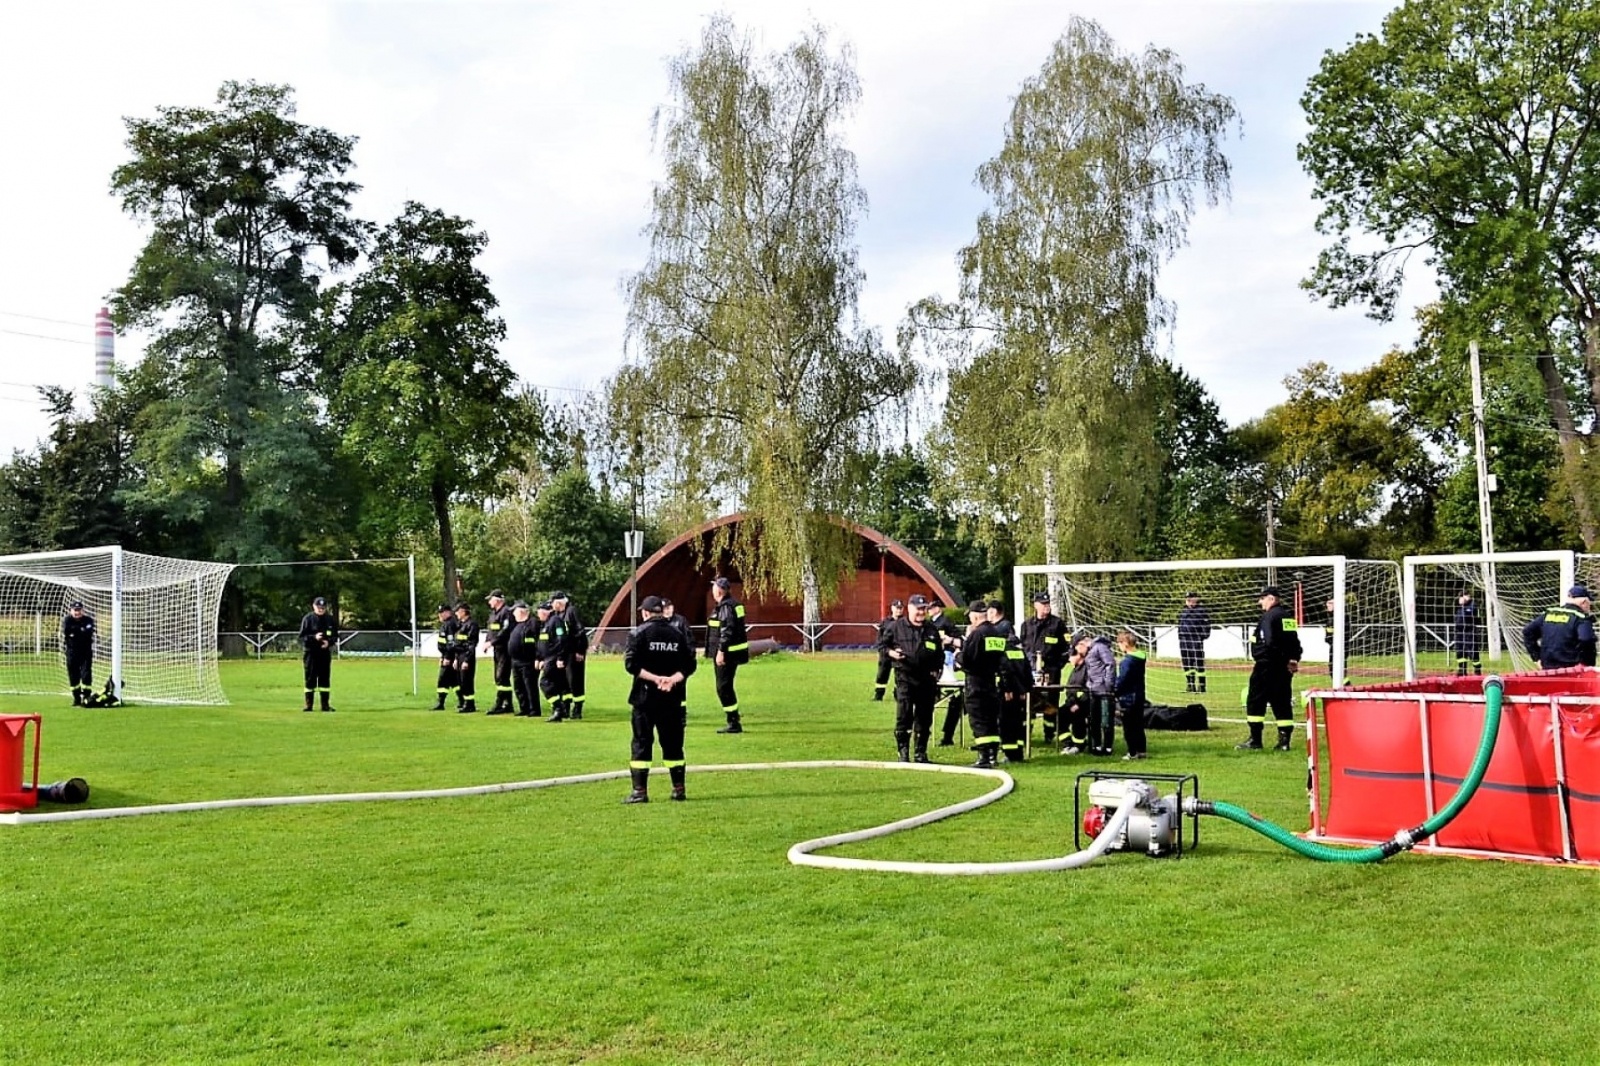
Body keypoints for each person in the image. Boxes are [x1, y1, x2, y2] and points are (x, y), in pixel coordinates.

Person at [622, 595, 698, 803]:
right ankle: (678, 789)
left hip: (645, 698)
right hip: (671, 697)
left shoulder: (638, 634)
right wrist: (672, 679)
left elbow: (631, 666)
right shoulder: (677, 633)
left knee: (641, 742)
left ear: (645, 613)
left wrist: (656, 679)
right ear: (661, 611)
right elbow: (690, 664)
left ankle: (639, 792)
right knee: (673, 743)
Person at [1238, 585, 1302, 751]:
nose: (1260, 602)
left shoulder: (1268, 617)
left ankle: (1255, 740)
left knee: (1255, 701)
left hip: (1267, 667)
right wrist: (1293, 659)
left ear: (1272, 599)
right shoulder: (1288, 617)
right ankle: (1284, 742)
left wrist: (1269, 658)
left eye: (1263, 598)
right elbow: (1294, 642)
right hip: (1284, 668)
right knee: (1282, 702)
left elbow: (1269, 643)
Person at [882, 594, 944, 762]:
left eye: (924, 609)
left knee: (924, 717)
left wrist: (937, 670)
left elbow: (939, 654)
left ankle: (920, 753)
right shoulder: (896, 627)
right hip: (905, 677)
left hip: (927, 680)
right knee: (904, 715)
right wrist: (892, 653)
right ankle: (903, 752)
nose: (921, 613)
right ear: (909, 608)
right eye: (918, 609)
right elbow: (882, 646)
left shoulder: (931, 629)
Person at [957, 599, 1007, 769]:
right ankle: (993, 754)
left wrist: (957, 655)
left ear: (974, 616)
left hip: (976, 682)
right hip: (991, 682)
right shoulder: (996, 632)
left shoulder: (977, 634)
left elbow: (967, 659)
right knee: (991, 719)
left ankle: (983, 757)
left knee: (978, 720)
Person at [1020, 592, 1069, 744]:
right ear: (1035, 605)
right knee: (1030, 702)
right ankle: (1026, 734)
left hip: (1051, 671)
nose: (1046, 607)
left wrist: (1057, 666)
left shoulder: (1058, 624)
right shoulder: (1026, 625)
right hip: (1031, 671)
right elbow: (1022, 646)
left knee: (1050, 703)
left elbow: (1067, 648)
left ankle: (1050, 733)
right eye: (1043, 604)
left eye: (1048, 604)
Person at [707, 576, 750, 733]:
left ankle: (733, 722)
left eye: (714, 587)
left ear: (719, 590)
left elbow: (727, 631)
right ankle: (733, 720)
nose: (712, 590)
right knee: (726, 686)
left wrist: (720, 652)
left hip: (727, 655)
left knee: (723, 687)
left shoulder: (725, 607)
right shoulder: (734, 604)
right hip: (734, 653)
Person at [1523, 586, 1598, 670]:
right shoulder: (1581, 618)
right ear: (1584, 602)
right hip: (1572, 671)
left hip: (1548, 669)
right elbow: (1586, 639)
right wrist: (1587, 663)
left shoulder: (1549, 613)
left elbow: (1527, 632)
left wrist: (1536, 657)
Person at [552, 591, 588, 720]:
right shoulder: (557, 615)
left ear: (559, 602)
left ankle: (577, 708)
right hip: (563, 653)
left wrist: (580, 650)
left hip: (574, 652)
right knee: (564, 681)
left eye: (553, 602)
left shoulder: (571, 611)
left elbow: (580, 631)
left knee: (575, 680)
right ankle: (565, 707)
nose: (552, 605)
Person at [299, 595, 338, 712]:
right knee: (310, 678)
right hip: (311, 653)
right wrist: (314, 637)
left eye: (323, 607)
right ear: (314, 606)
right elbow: (301, 637)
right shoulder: (308, 619)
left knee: (324, 679)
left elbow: (335, 636)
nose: (321, 609)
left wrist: (329, 642)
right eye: (318, 607)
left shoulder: (330, 619)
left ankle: (325, 705)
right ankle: (308, 705)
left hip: (324, 654)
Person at [1114, 630, 1148, 761]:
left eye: (1120, 643)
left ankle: (1132, 752)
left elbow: (1123, 679)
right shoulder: (1141, 656)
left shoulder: (1127, 662)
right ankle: (1142, 750)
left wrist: (1115, 690)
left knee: (1129, 726)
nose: (1119, 647)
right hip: (1139, 695)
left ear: (1125, 644)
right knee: (1138, 725)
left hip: (1128, 697)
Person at [539, 599, 574, 721]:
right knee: (560, 684)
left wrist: (560, 657)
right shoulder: (547, 623)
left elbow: (562, 640)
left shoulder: (556, 621)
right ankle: (561, 710)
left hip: (553, 658)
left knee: (544, 682)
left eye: (540, 612)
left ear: (545, 612)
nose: (538, 615)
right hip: (548, 658)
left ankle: (558, 707)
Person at [1083, 632, 1117, 756]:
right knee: (1094, 720)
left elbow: (1110, 664)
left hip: (1104, 690)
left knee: (1106, 720)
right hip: (1094, 689)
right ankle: (1096, 746)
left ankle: (1107, 747)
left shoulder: (1099, 647)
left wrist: (1108, 683)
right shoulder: (1092, 650)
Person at [506, 600, 542, 717]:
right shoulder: (517, 625)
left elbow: (538, 642)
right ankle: (524, 708)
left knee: (530, 686)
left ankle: (534, 709)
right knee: (519, 686)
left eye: (514, 611)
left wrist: (538, 657)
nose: (513, 614)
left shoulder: (533, 623)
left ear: (521, 611)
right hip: (516, 661)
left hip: (528, 661)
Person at [482, 590, 516, 713]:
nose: (489, 602)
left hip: (505, 649)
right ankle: (508, 704)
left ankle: (499, 704)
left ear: (497, 600)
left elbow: (505, 631)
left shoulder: (506, 613)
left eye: (491, 599)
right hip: (497, 650)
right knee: (500, 678)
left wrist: (492, 642)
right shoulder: (493, 614)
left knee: (501, 676)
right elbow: (491, 630)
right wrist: (487, 642)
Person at [1058, 636, 1091, 755]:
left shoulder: (1087, 668)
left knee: (1078, 716)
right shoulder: (1076, 669)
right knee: (1059, 715)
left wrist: (1078, 703)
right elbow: (1070, 689)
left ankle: (1079, 745)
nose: (1069, 660)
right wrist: (1071, 702)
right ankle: (1067, 743)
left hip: (1084, 704)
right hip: (1072, 702)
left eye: (1070, 657)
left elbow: (1087, 690)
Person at [62, 600, 96, 706]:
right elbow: (67, 631)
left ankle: (86, 696)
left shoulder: (88, 620)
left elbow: (88, 632)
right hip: (72, 652)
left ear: (82, 610)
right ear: (71, 610)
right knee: (73, 676)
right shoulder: (67, 620)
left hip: (85, 652)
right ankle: (76, 697)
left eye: (79, 610)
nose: (77, 612)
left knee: (86, 674)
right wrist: (80, 630)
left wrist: (77, 631)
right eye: (75, 610)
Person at [1177, 591, 1211, 693]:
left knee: (1199, 663)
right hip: (1184, 640)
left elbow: (1207, 625)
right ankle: (1190, 685)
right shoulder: (1183, 611)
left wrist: (1202, 637)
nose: (1188, 601)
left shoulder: (1201, 611)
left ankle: (1202, 686)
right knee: (1187, 663)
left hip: (1195, 640)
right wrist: (1180, 636)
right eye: (1187, 599)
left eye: (1190, 599)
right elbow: (1180, 625)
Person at [872, 599, 904, 701]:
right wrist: (885, 650)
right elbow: (880, 639)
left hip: (899, 653)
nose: (898, 610)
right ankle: (879, 695)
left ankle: (898, 695)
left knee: (900, 676)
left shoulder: (905, 622)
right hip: (886, 653)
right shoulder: (885, 622)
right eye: (897, 608)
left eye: (900, 608)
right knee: (882, 674)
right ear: (892, 608)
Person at [452, 601, 480, 713]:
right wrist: (455, 658)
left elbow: (471, 644)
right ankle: (464, 702)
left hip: (466, 656)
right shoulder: (460, 625)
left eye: (458, 611)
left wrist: (467, 660)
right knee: (460, 680)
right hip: (459, 655)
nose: (456, 613)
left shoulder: (471, 624)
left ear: (464, 611)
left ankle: (470, 704)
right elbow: (457, 642)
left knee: (466, 681)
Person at [430, 603, 457, 711]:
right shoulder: (445, 624)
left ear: (448, 612)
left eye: (442, 613)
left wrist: (447, 657)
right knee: (454, 681)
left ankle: (440, 703)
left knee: (442, 680)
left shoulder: (450, 624)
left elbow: (450, 643)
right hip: (446, 656)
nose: (439, 615)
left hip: (449, 657)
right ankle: (461, 700)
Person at [1453, 592, 1483, 676]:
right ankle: (1462, 669)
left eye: (1461, 597)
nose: (1460, 599)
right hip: (1459, 632)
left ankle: (1477, 670)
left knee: (1472, 652)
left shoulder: (1472, 606)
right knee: (1460, 652)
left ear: (1467, 597)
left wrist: (1465, 603)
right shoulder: (1458, 607)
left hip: (1470, 632)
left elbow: (1472, 616)